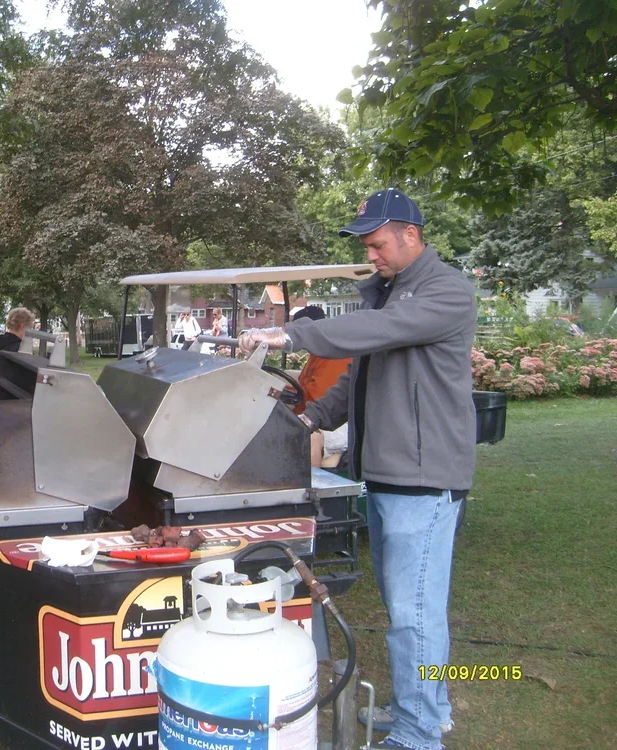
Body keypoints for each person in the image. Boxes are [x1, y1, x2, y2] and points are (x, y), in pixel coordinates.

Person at [240, 189, 476, 750]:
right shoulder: (392, 295)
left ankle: (419, 735)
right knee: (409, 606)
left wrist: (289, 334)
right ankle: (429, 707)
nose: (370, 256)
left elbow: (375, 335)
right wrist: (309, 419)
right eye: (367, 247)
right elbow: (358, 376)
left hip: (425, 478)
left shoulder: (444, 292)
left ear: (411, 235)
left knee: (414, 613)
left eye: (377, 244)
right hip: (392, 472)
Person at [290, 306, 351, 416]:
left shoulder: (333, 355)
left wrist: (285, 396)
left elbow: (318, 398)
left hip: (320, 419)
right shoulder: (318, 351)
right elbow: (304, 387)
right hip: (305, 413)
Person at [0, 307, 36, 398]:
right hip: (12, 398)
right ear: (22, 326)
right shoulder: (20, 348)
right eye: (30, 328)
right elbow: (27, 379)